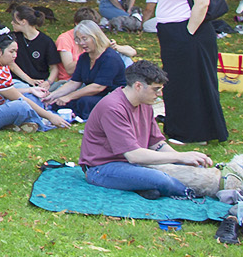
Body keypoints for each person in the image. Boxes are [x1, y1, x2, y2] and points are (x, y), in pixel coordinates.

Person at [77, 61, 217, 198]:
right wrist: (180, 157)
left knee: (193, 170)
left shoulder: (145, 103)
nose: (159, 94)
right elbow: (133, 155)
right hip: (101, 169)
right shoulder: (112, 108)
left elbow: (156, 143)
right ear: (138, 86)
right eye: (156, 89)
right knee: (161, 179)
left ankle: (145, 187)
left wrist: (183, 161)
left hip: (134, 164)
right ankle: (192, 194)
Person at [147, 0, 227, 143]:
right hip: (171, 33)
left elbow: (202, 3)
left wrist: (188, 32)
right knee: (176, 82)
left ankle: (197, 132)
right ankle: (178, 127)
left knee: (192, 81)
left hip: (189, 33)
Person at [0, 32, 68, 132]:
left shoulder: (1, 64)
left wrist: (31, 90)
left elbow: (9, 91)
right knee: (21, 106)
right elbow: (18, 97)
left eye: (16, 51)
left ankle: (23, 123)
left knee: (32, 98)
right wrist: (50, 117)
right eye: (11, 52)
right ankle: (42, 123)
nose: (15, 55)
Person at [43, 21, 128, 118]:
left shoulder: (110, 58)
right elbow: (74, 82)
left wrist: (69, 97)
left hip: (112, 97)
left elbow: (98, 87)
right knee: (58, 102)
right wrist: (53, 95)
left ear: (95, 37)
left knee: (84, 101)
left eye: (84, 39)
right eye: (78, 40)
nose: (81, 43)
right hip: (94, 96)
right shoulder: (84, 57)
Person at [6, 2, 60, 87]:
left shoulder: (46, 42)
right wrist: (29, 80)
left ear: (23, 22)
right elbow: (11, 63)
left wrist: (48, 82)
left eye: (14, 20)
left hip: (41, 82)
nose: (12, 23)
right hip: (18, 82)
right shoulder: (12, 38)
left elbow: (54, 68)